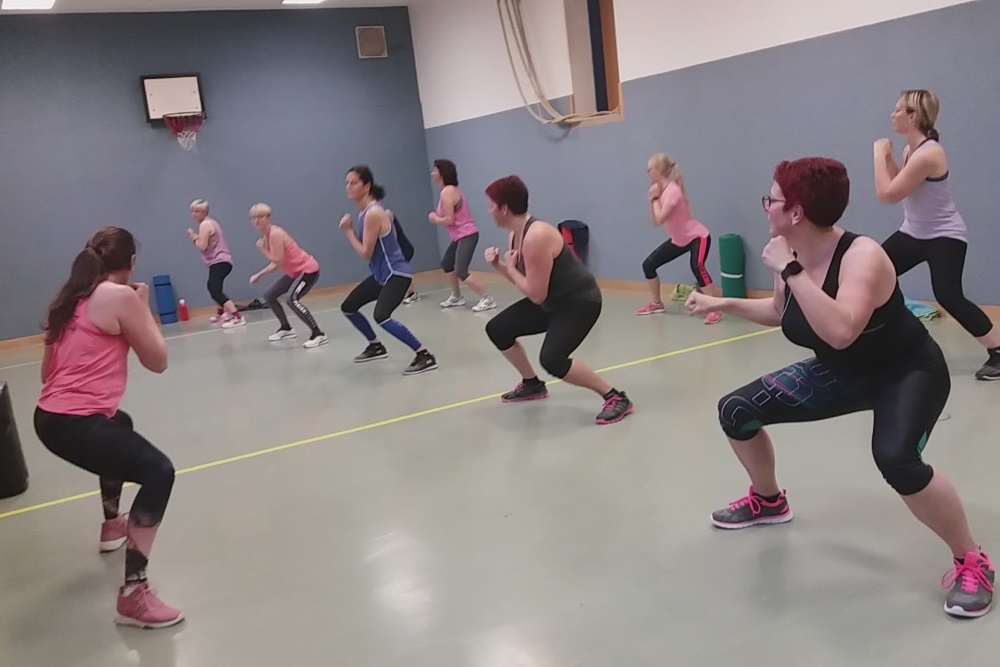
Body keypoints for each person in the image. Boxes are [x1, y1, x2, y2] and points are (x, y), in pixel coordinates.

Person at [685, 157, 994, 618]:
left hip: (907, 373)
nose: (765, 206)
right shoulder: (786, 251)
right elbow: (783, 312)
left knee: (897, 459)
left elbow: (842, 330)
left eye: (772, 199)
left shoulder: (862, 256)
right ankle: (768, 501)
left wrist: (790, 270)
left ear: (796, 212)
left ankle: (972, 560)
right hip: (841, 372)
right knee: (736, 411)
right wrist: (724, 302)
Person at [34, 226, 183, 628]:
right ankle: (134, 593)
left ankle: (112, 524)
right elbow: (158, 361)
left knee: (120, 423)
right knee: (159, 471)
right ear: (131, 262)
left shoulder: (67, 300)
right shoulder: (120, 296)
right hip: (75, 423)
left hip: (47, 418)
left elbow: (47, 375)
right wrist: (143, 307)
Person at [482, 175, 633, 425]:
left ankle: (615, 397)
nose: (488, 211)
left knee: (552, 359)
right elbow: (527, 284)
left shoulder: (536, 236)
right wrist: (500, 265)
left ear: (504, 208)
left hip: (580, 302)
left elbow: (535, 294)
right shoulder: (514, 235)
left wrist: (509, 265)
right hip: (552, 301)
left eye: (490, 206)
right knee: (498, 328)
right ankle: (532, 384)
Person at [873, 89, 999, 380]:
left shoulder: (930, 153)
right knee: (873, 273)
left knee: (948, 295)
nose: (892, 114)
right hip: (913, 232)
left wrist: (878, 155)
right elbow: (902, 182)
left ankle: (998, 350)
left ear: (913, 117)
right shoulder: (911, 150)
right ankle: (884, 343)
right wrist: (890, 158)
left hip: (944, 235)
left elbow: (887, 194)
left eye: (898, 110)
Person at [339, 165, 438, 374]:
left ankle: (424, 355)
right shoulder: (366, 212)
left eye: (353, 182)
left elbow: (366, 253)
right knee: (349, 306)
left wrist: (347, 232)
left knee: (382, 316)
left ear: (367, 186)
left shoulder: (373, 213)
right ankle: (375, 346)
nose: (348, 186)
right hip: (382, 275)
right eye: (347, 182)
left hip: (397, 274)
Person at [637, 153, 722, 324]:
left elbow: (661, 218)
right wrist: (652, 199)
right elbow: (655, 222)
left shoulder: (672, 191)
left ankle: (715, 308)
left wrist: (654, 199)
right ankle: (656, 304)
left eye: (649, 169)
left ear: (659, 170)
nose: (647, 173)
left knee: (697, 266)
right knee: (648, 265)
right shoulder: (659, 191)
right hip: (680, 240)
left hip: (698, 237)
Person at [248, 203, 327, 348]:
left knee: (291, 299)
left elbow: (278, 260)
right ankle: (286, 328)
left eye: (260, 217)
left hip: (307, 271)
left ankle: (318, 334)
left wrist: (262, 250)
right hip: (295, 273)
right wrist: (260, 274)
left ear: (268, 217)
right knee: (269, 296)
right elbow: (278, 262)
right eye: (253, 218)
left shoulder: (275, 234)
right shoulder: (267, 237)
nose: (256, 221)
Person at [429, 159, 496, 312]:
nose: (432, 173)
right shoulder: (450, 190)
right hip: (460, 236)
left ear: (442, 173)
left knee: (461, 270)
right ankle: (457, 296)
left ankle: (487, 298)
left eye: (435, 170)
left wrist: (435, 218)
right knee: (447, 263)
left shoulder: (447, 192)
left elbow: (449, 219)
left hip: (467, 235)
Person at [186, 199, 244, 328]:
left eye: (197, 211)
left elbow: (202, 246)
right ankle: (222, 313)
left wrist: (193, 237)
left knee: (214, 289)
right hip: (220, 261)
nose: (193, 214)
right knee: (215, 287)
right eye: (192, 211)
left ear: (204, 212)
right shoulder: (211, 222)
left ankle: (236, 316)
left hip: (220, 261)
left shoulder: (205, 224)